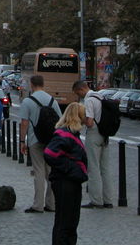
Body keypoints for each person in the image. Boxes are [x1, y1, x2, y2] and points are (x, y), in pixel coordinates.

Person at [44, 103, 88, 245]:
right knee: (64, 222)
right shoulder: (65, 134)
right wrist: (72, 168)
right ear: (78, 117)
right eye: (84, 115)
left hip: (71, 181)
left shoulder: (71, 133)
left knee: (71, 222)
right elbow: (50, 154)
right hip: (65, 181)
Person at [19, 74, 61, 213]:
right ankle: (52, 203)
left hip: (34, 139)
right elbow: (60, 121)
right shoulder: (52, 100)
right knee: (50, 172)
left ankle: (38, 205)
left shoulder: (28, 101)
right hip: (51, 140)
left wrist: (22, 141)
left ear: (32, 84)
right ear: (43, 84)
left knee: (38, 172)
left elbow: (24, 123)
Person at [72, 80, 113, 208]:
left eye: (78, 93)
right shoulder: (100, 96)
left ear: (81, 90)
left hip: (94, 134)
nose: (79, 96)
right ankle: (108, 200)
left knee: (93, 168)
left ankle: (96, 200)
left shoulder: (89, 100)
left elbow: (89, 122)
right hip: (105, 134)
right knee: (105, 169)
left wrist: (80, 120)